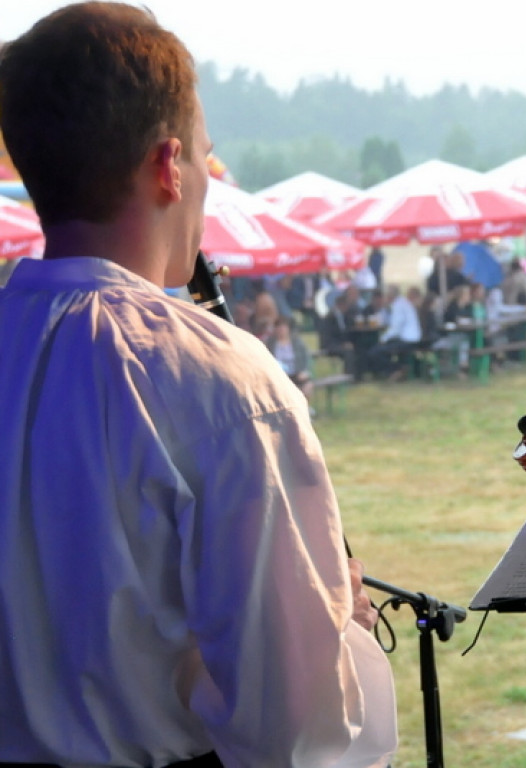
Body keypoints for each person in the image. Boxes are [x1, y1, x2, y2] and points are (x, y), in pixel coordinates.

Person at [0, 4, 396, 767]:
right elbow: (296, 731)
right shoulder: (225, 384)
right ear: (165, 165)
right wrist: (338, 618)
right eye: (206, 161)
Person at [367, 284, 422, 380]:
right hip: (411, 338)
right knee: (381, 349)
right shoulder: (403, 303)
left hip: (407, 340)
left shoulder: (398, 306)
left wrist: (383, 339)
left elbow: (396, 329)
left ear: (390, 296)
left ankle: (396, 369)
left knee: (375, 352)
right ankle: (398, 368)